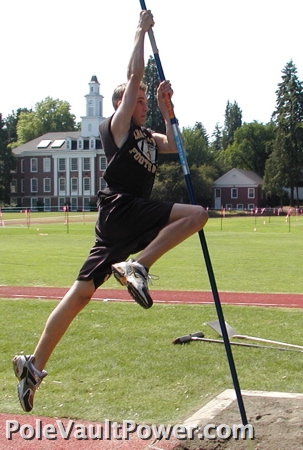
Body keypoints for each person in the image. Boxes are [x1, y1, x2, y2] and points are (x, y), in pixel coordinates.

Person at [12, 10, 208, 412]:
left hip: (121, 223)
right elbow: (134, 75)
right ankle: (139, 265)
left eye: (144, 101)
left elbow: (175, 145)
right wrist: (140, 32)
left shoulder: (149, 136)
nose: (142, 105)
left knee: (81, 293)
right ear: (121, 104)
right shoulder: (117, 128)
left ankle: (33, 366)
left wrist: (167, 107)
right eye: (138, 100)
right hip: (122, 206)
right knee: (197, 214)